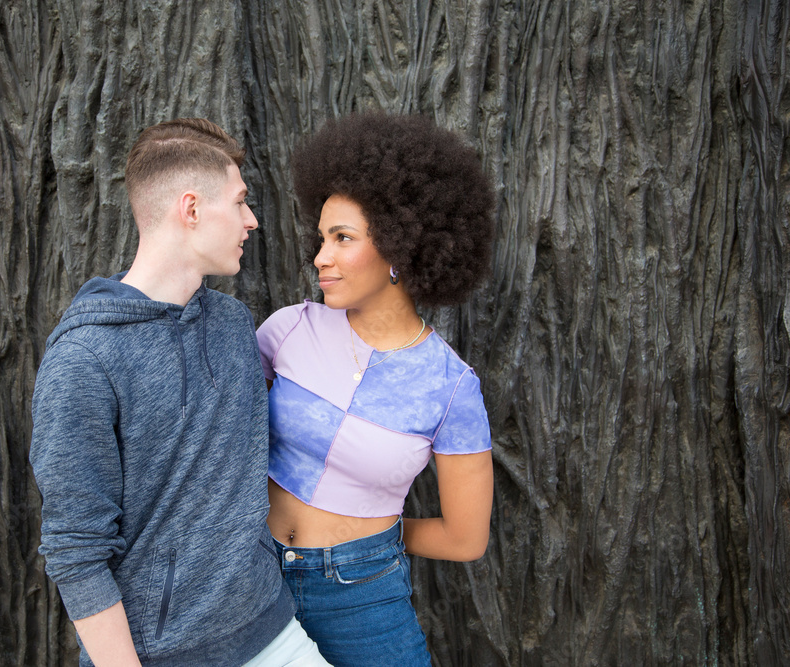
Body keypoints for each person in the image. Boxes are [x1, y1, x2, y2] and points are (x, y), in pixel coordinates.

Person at [30, 118, 329, 667]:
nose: (252, 221)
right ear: (191, 209)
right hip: (162, 656)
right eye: (240, 202)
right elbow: (76, 550)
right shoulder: (83, 360)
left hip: (274, 630)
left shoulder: (234, 324)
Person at [257, 113, 496, 666]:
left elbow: (465, 539)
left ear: (398, 245)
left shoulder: (451, 388)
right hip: (252, 580)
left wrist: (369, 539)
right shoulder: (287, 329)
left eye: (343, 238)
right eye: (322, 237)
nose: (321, 257)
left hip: (361, 595)